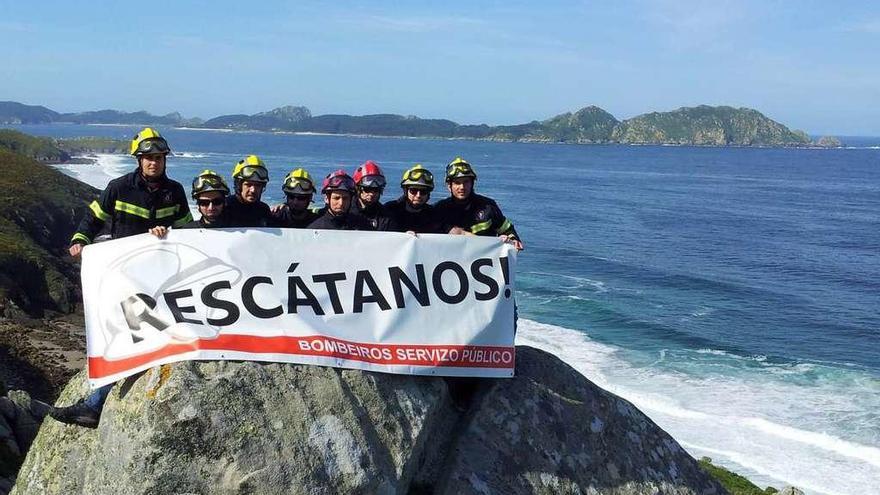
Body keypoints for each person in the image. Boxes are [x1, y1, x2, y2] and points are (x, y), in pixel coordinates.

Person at [51, 127, 192, 428]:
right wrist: (80, 240)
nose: (154, 162)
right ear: (138, 159)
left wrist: (169, 232)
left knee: (161, 334)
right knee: (117, 334)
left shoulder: (175, 191)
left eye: (159, 157)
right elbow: (92, 219)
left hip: (164, 278)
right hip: (125, 278)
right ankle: (94, 404)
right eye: (148, 157)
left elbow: (190, 233)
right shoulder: (118, 187)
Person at [434, 157, 524, 250]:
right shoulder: (439, 209)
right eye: (457, 183)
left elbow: (506, 229)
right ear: (449, 186)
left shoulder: (488, 206)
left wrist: (512, 239)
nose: (462, 187)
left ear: (472, 183)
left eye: (466, 182)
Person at [149, 169, 230, 237]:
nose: (211, 207)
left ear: (224, 202)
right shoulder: (187, 231)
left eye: (217, 202)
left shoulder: (238, 229)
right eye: (204, 203)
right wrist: (159, 235)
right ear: (198, 204)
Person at [384, 164, 443, 234]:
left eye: (423, 192)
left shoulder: (434, 215)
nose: (418, 195)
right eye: (413, 190)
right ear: (405, 191)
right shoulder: (390, 210)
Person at [308, 170, 372, 230]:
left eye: (345, 198)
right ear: (327, 199)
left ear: (351, 199)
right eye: (336, 198)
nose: (341, 203)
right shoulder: (315, 229)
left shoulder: (363, 226)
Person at [224, 155, 273, 227]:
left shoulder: (263, 210)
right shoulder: (224, 207)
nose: (253, 190)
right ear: (239, 185)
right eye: (248, 184)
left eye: (258, 185)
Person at [351, 160, 398, 231]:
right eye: (367, 189)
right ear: (358, 189)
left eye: (376, 189)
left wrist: (406, 236)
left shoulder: (386, 217)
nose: (372, 194)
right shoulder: (345, 212)